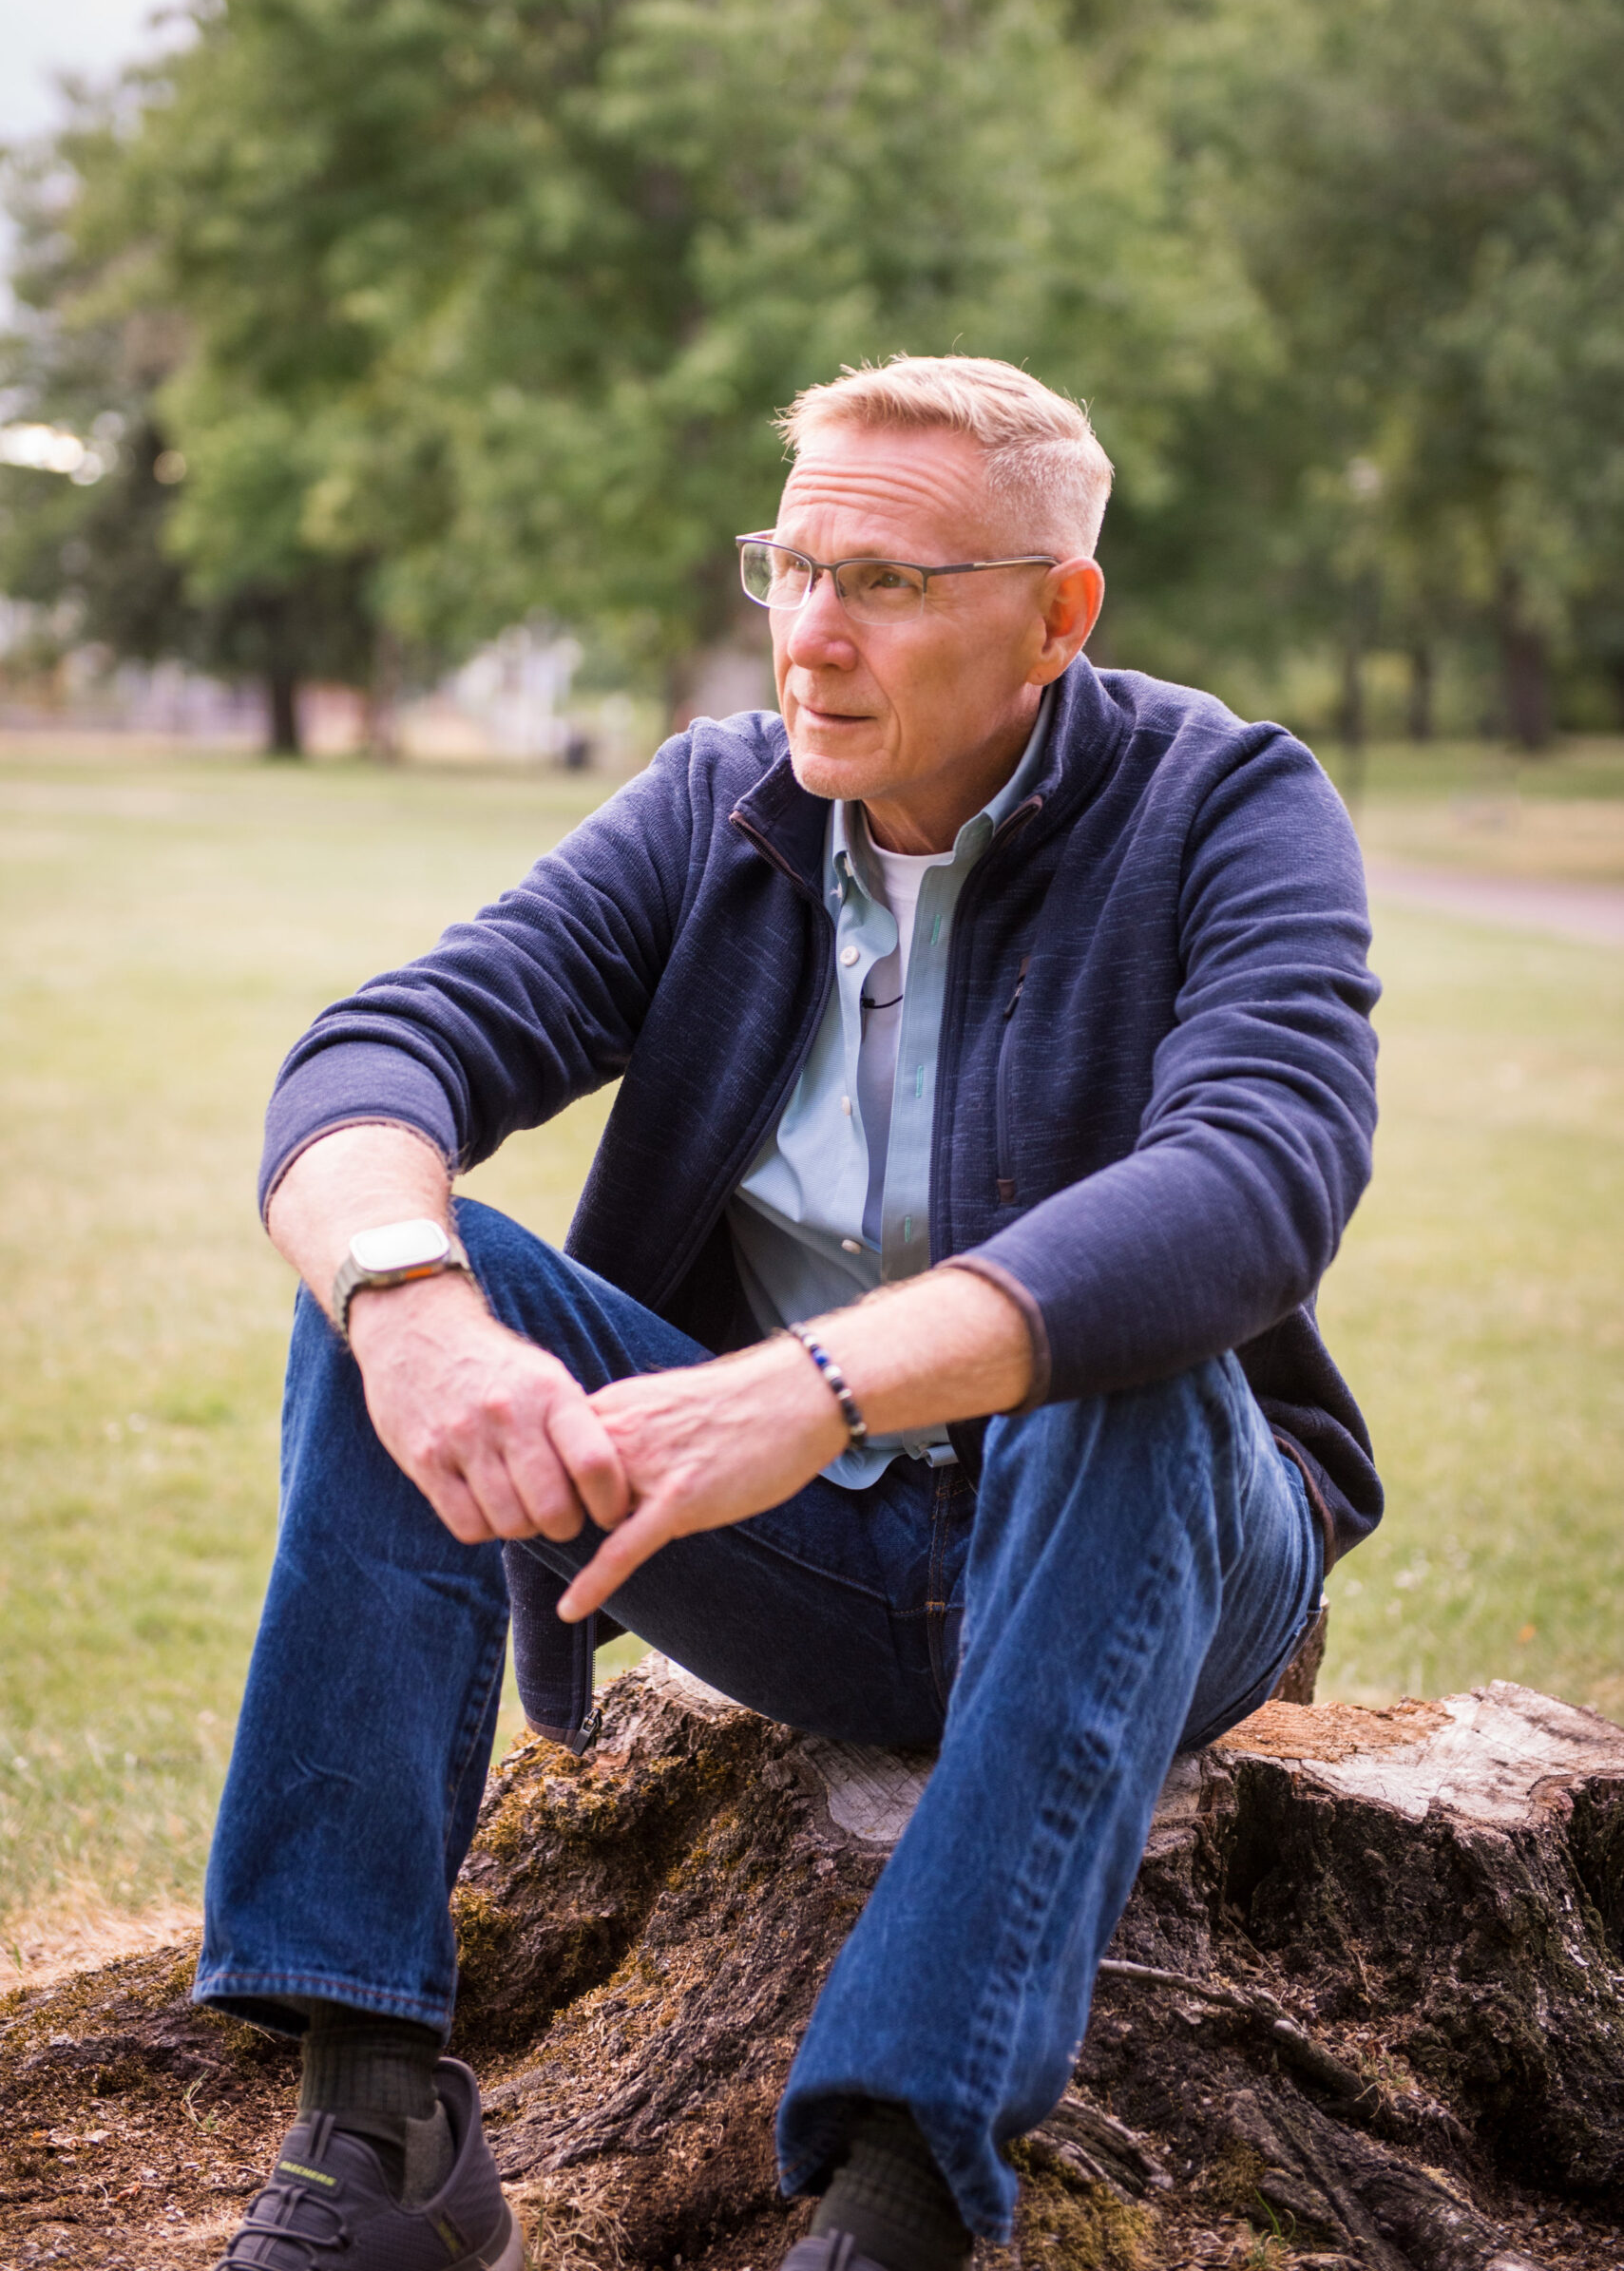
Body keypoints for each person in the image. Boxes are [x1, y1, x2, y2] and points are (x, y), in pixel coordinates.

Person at [204, 354, 1380, 2271]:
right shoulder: (717, 806)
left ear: (1057, 616)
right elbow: (388, 1046)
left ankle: (898, 2198)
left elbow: (1255, 1177)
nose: (810, 637)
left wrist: (822, 1382)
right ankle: (378, 2121)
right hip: (796, 1552)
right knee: (415, 1284)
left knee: (1131, 1367)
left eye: (888, 583)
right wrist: (410, 1299)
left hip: (1154, 1539)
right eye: (789, 564)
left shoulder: (1225, 802)